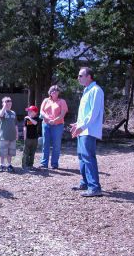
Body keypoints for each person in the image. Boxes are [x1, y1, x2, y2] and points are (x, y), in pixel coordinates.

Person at [70, 67, 104, 197]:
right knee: (82, 157)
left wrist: (82, 126)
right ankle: (85, 182)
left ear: (89, 76)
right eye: (78, 76)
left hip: (88, 131)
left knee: (88, 157)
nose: (78, 78)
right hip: (83, 129)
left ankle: (95, 187)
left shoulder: (96, 90)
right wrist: (78, 124)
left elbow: (93, 113)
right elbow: (85, 113)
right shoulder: (86, 91)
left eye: (80, 75)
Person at [39, 85, 68, 169]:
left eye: (56, 90)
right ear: (50, 92)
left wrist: (55, 120)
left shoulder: (62, 101)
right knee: (45, 144)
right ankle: (44, 163)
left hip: (58, 125)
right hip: (46, 124)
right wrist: (47, 118)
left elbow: (62, 114)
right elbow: (41, 111)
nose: (54, 92)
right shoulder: (46, 100)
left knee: (56, 145)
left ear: (59, 92)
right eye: (52, 90)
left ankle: (54, 164)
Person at [0, 96, 18, 172]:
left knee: (10, 152)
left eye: (10, 104)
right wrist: (4, 107)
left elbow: (15, 124)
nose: (8, 105)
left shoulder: (13, 113)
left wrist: (16, 134)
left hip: (12, 136)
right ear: (3, 104)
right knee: (3, 152)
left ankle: (9, 165)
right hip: (4, 136)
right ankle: (2, 165)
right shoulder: (1, 111)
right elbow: (0, 115)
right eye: (7, 104)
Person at [22, 105, 40, 170]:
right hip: (28, 138)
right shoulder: (26, 119)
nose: (28, 112)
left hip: (34, 138)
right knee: (26, 152)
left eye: (30, 111)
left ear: (35, 112)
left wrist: (29, 118)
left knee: (32, 153)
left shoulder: (37, 118)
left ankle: (30, 165)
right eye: (28, 111)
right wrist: (24, 137)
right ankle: (25, 165)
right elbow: (24, 128)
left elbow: (35, 123)